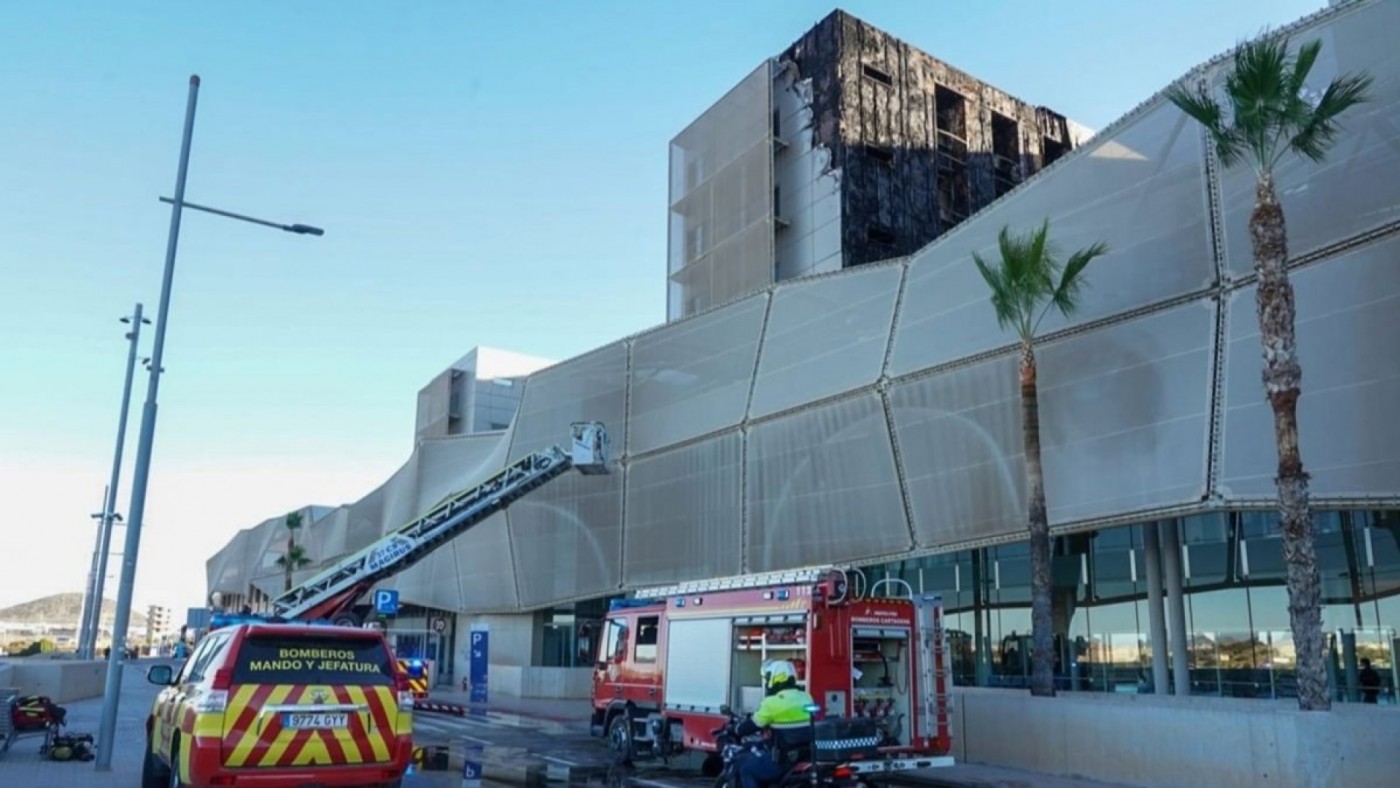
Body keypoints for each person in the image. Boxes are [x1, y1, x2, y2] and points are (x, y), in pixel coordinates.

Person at [735, 660, 816, 788]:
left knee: (747, 769)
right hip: (808, 757)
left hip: (784, 761)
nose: (767, 682)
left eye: (768, 678)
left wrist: (738, 729)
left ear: (776, 677)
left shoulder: (771, 703)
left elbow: (754, 724)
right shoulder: (806, 697)